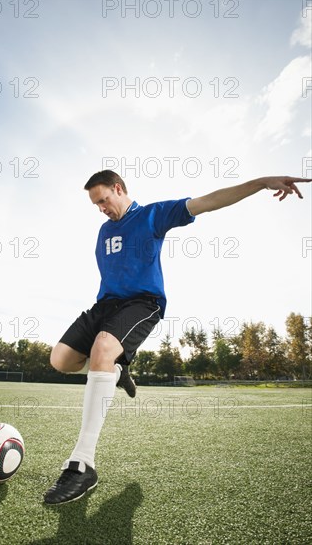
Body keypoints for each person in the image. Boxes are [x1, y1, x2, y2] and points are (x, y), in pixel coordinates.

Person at [44, 170, 311, 505]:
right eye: (96, 205)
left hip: (142, 302)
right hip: (105, 306)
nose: (101, 208)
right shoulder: (103, 232)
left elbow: (209, 201)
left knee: (102, 349)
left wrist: (260, 183)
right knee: (61, 360)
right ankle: (116, 369)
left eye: (103, 200)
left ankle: (82, 463)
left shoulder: (152, 215)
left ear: (118, 188)